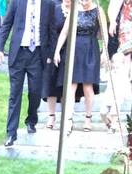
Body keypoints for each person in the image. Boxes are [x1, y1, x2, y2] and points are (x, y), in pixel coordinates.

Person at [0, 0, 52, 146]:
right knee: (15, 94)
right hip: (18, 53)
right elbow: (6, 24)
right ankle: (11, 133)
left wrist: (51, 54)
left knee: (35, 92)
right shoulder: (17, 2)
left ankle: (31, 120)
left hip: (37, 54)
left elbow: (51, 31)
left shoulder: (48, 4)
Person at [54, 0, 107, 130]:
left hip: (90, 49)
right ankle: (68, 119)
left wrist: (105, 52)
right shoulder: (74, 10)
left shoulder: (98, 10)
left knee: (88, 86)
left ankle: (88, 119)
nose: (83, 1)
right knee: (71, 86)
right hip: (74, 49)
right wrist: (57, 51)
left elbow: (104, 34)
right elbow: (65, 32)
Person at [42, 0, 69, 130]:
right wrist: (49, 53)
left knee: (65, 85)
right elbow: (47, 30)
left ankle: (66, 116)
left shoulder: (78, 11)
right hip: (53, 49)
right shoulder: (55, 9)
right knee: (50, 83)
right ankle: (51, 115)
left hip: (71, 51)